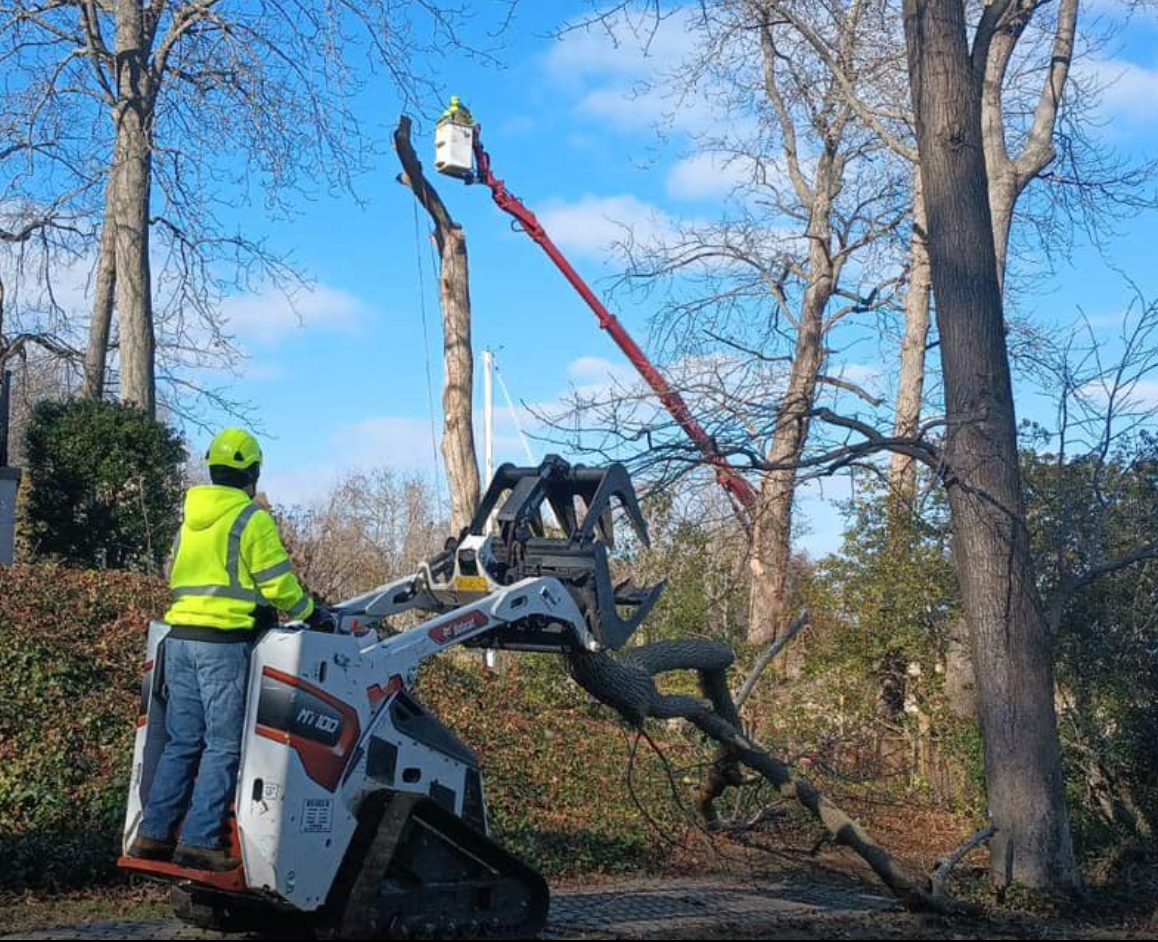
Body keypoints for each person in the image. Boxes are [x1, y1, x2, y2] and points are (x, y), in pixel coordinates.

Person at [129, 428, 330, 871]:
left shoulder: (189, 519)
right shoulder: (250, 520)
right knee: (223, 745)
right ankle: (201, 840)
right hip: (223, 645)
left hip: (179, 640)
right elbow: (278, 581)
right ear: (253, 474)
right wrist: (311, 612)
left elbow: (179, 577)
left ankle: (154, 834)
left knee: (184, 742)